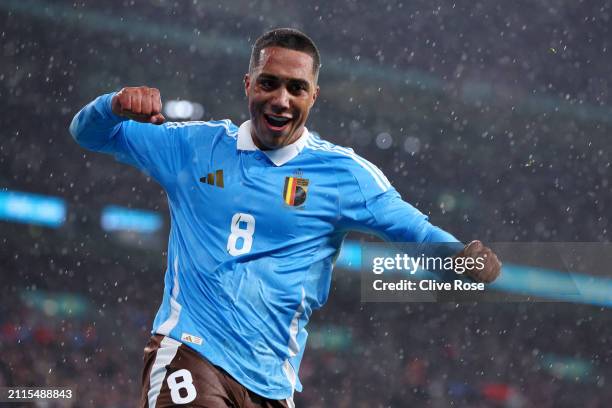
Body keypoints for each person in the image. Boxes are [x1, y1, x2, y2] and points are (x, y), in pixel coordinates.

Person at [69, 28, 501, 408]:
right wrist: (112, 105)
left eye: (296, 88)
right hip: (190, 351)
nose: (281, 100)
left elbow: (416, 232)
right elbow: (87, 133)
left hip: (271, 384)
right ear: (248, 84)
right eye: (269, 83)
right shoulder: (192, 146)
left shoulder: (344, 175)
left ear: (314, 96)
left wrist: (462, 259)